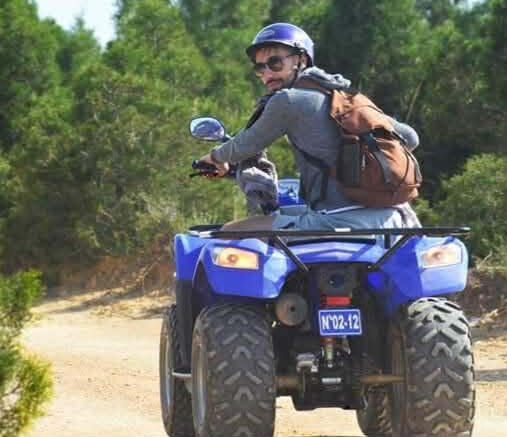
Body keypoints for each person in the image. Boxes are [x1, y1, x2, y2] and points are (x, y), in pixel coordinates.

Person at [199, 23, 421, 231]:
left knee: (230, 232)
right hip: (394, 219)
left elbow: (247, 143)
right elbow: (410, 138)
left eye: (275, 63)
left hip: (334, 221)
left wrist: (214, 158)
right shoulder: (348, 97)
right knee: (292, 213)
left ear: (302, 59)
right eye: (259, 68)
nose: (267, 73)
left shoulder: (287, 100)